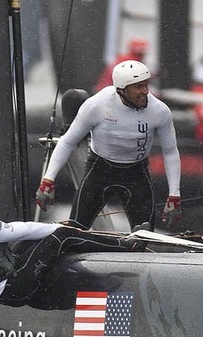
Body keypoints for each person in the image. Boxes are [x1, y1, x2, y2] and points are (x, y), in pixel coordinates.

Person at [0, 171, 138, 307]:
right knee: (61, 236)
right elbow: (25, 229)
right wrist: (59, 228)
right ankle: (128, 245)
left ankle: (75, 247)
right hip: (15, 289)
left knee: (35, 240)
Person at [36, 60, 182, 232]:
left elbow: (170, 152)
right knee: (75, 230)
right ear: (121, 89)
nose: (145, 92)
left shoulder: (160, 111)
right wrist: (48, 180)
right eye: (138, 87)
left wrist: (174, 194)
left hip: (136, 174)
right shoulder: (96, 105)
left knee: (145, 234)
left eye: (146, 85)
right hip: (99, 171)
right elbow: (68, 141)